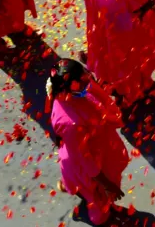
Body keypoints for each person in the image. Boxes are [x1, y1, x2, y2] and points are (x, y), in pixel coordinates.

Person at [47, 59, 130, 226]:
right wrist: (107, 185)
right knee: (98, 198)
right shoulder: (70, 123)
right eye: (83, 80)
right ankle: (102, 219)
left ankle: (78, 191)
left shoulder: (64, 91)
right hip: (91, 165)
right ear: (69, 87)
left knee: (88, 191)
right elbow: (84, 160)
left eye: (86, 75)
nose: (89, 80)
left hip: (95, 146)